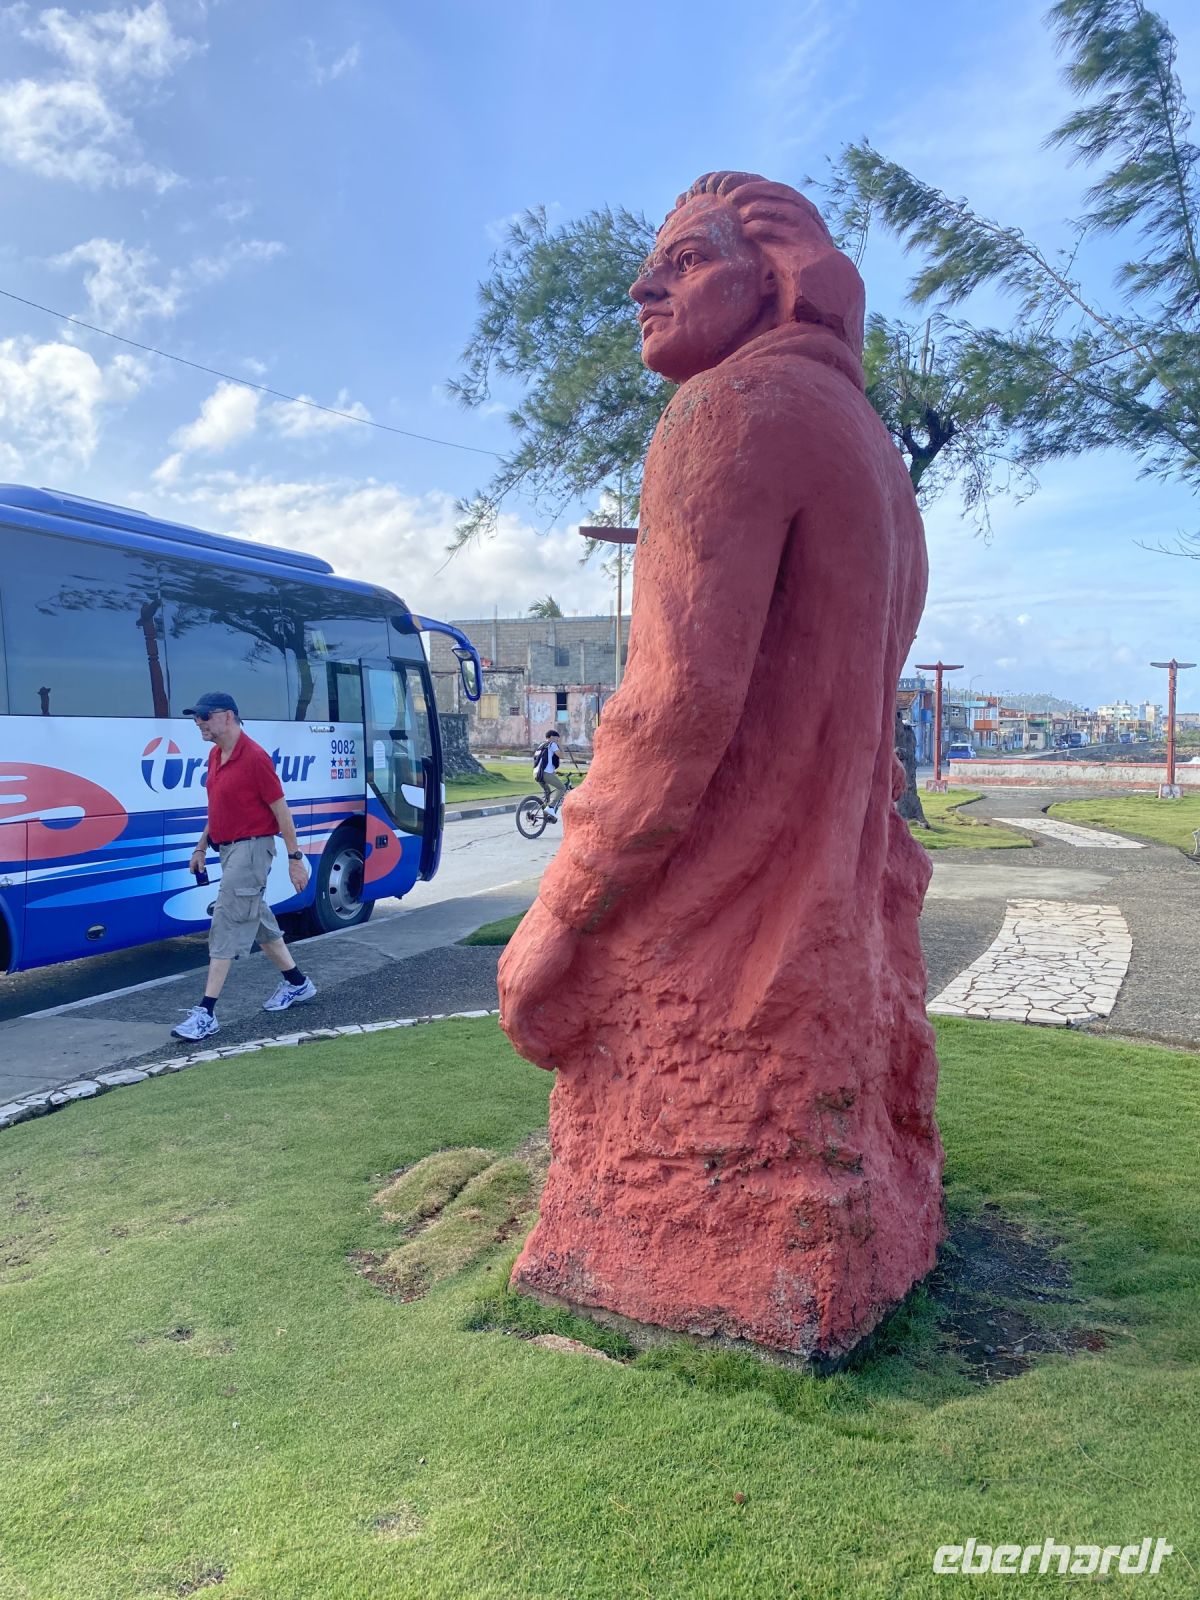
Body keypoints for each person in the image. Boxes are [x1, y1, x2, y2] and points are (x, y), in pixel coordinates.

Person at [172, 691, 316, 1042]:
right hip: (228, 850)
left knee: (227, 918)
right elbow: (218, 807)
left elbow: (282, 811)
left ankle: (206, 1012)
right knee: (259, 920)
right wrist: (201, 846)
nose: (198, 723)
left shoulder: (254, 758)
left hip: (253, 850)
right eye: (196, 717)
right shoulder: (215, 756)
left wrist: (295, 860)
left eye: (204, 716)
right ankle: (298, 984)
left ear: (228, 716)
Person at [532, 728, 566, 822]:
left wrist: (553, 771)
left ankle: (547, 816)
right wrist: (560, 745)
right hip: (545, 773)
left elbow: (544, 760)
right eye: (556, 738)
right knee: (562, 788)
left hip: (536, 773)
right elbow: (562, 756)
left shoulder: (541, 745)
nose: (557, 740)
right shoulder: (552, 744)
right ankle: (550, 807)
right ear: (551, 737)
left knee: (548, 793)